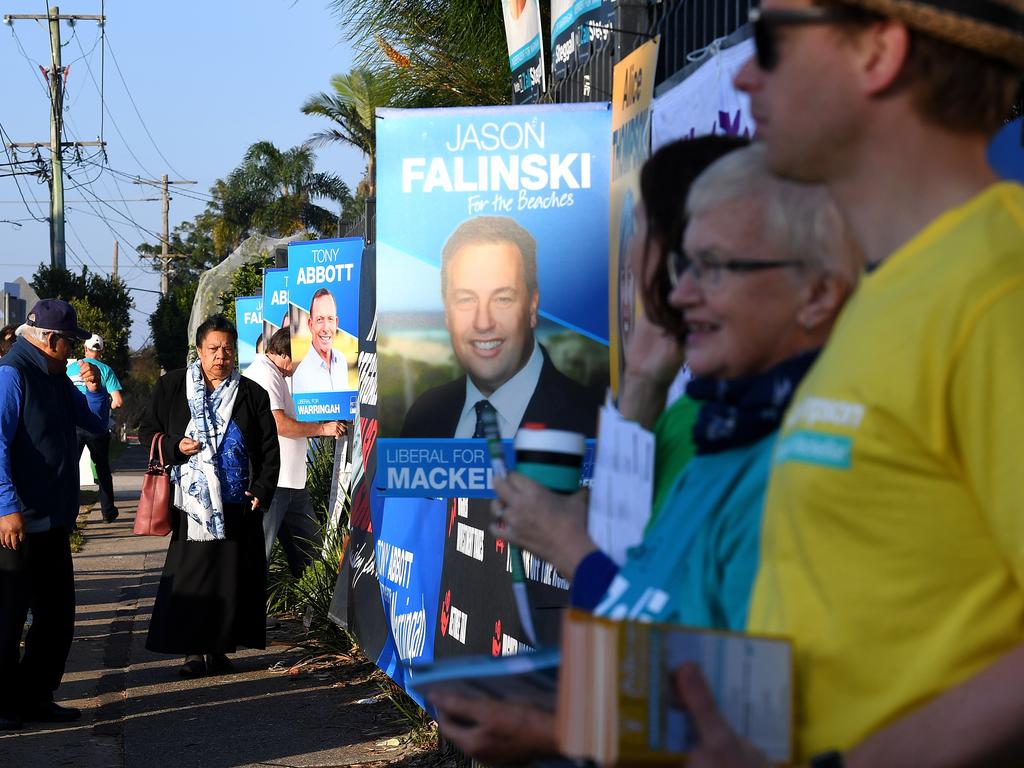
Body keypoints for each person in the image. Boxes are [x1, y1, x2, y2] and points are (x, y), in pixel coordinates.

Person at [668, 3, 1024, 766]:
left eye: (771, 40)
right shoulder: (896, 287)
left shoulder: (999, 283)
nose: (742, 70)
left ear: (877, 50)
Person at [431, 144, 862, 762]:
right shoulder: (710, 418)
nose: (675, 298)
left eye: (708, 268)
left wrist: (574, 553)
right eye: (663, 275)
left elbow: (748, 715)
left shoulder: (803, 451)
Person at [139, 314, 280, 679]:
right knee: (193, 580)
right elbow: (147, 431)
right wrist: (174, 446)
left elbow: (268, 449)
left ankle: (219, 649)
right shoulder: (173, 387)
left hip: (238, 502)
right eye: (214, 349)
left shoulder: (251, 394)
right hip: (193, 506)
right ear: (199, 350)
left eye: (228, 349)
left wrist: (262, 491)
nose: (221, 356)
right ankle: (192, 651)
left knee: (230, 579)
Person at [0, 300, 106, 730]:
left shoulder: (58, 378)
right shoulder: (13, 374)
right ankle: (4, 703)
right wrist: (6, 507)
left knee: (57, 616)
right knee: (7, 620)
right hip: (17, 523)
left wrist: (95, 390)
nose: (74, 350)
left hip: (54, 519)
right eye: (70, 342)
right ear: (50, 339)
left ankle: (36, 696)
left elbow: (95, 425)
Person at [401, 215, 601, 439]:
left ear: (532, 307)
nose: (483, 323)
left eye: (502, 299)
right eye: (466, 299)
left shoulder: (594, 425)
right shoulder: (423, 418)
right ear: (447, 311)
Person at [243, 328, 346, 577]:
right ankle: (250, 613)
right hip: (273, 482)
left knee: (310, 551)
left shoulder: (274, 375)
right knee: (261, 553)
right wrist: (322, 429)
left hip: (289, 481)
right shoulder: (263, 375)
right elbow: (278, 423)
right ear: (287, 354)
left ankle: (310, 604)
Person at [67, 334, 123, 523]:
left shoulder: (70, 369)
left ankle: (70, 517)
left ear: (84, 349)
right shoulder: (105, 370)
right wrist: (105, 406)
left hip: (74, 424)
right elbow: (118, 401)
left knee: (71, 469)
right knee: (102, 468)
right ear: (102, 350)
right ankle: (108, 511)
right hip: (97, 426)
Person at [291, 289, 349, 393]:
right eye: (320, 320)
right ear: (310, 325)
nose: (326, 328)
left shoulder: (341, 361)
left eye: (330, 319)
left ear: (336, 323)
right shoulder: (300, 377)